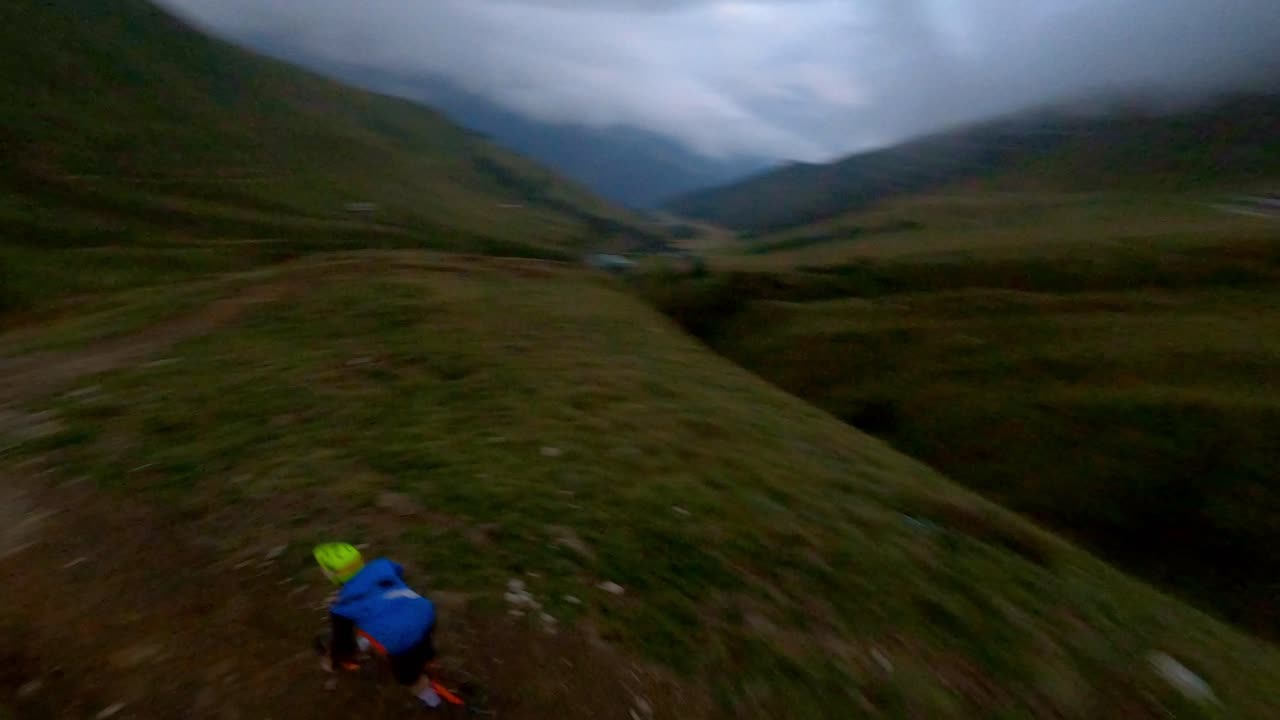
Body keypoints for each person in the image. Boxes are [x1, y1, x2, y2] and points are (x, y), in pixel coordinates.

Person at [313, 543, 445, 709]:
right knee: (422, 639)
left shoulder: (342, 608)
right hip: (424, 612)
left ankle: (432, 700)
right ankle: (428, 658)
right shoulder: (382, 564)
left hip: (401, 639)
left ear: (332, 574)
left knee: (409, 677)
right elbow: (397, 572)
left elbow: (343, 643)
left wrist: (333, 661)